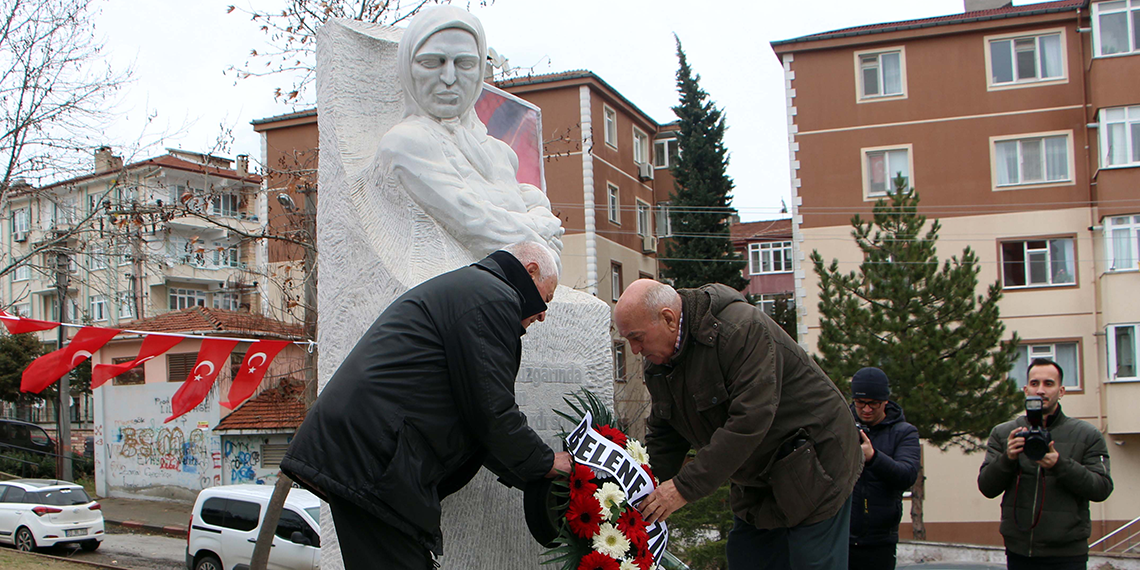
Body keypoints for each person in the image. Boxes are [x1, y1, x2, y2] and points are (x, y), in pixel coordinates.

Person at [280, 241, 573, 570]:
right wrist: (547, 461)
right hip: (375, 459)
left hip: (369, 454)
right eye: (545, 300)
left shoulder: (476, 290)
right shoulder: (493, 298)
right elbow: (492, 411)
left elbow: (478, 422)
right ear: (530, 271)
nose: (543, 315)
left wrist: (533, 473)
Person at [614, 279, 863, 570]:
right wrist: (638, 492)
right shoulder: (659, 363)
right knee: (747, 559)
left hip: (817, 464)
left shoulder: (741, 330)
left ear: (668, 318)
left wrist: (682, 488)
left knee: (813, 563)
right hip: (758, 479)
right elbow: (665, 435)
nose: (633, 350)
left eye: (637, 337)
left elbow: (749, 422)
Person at [373, 6, 564, 263]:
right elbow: (475, 222)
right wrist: (540, 233)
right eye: (432, 62)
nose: (449, 78)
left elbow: (538, 206)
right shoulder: (405, 143)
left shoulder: (501, 153)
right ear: (409, 69)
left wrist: (537, 230)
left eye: (465, 64)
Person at [978, 358, 1113, 570]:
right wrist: (1008, 458)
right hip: (1019, 551)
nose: (1040, 390)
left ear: (1061, 391)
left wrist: (1059, 464)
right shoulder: (1004, 433)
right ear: (1025, 390)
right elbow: (986, 487)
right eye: (1034, 384)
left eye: (1048, 384)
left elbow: (1101, 488)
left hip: (1067, 553)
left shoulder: (1087, 435)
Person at [846, 367, 920, 570]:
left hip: (880, 541)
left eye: (874, 404)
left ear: (885, 401)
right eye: (861, 403)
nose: (866, 410)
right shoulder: (841, 426)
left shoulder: (904, 433)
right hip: (841, 536)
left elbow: (907, 475)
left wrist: (873, 458)